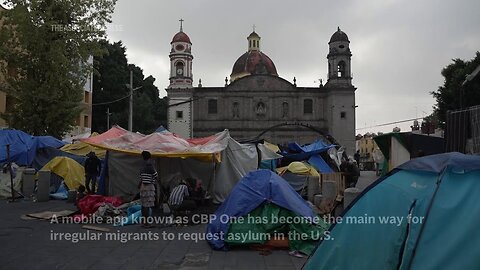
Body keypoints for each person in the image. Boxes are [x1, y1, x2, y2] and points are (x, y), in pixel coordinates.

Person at [138, 151, 158, 228]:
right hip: (148, 186)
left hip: (143, 187)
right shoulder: (150, 165)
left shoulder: (142, 165)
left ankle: (143, 222)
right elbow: (155, 175)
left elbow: (141, 177)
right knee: (147, 205)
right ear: (149, 157)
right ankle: (147, 223)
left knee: (143, 205)